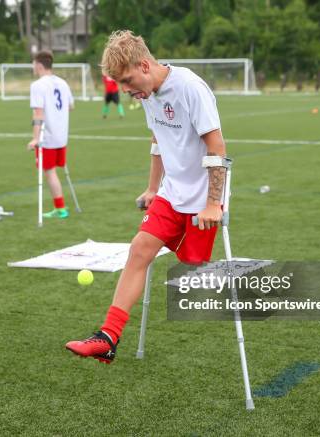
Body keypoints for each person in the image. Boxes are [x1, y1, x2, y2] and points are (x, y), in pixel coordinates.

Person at [65, 30, 226, 364]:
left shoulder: (190, 88)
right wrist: (153, 188)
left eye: (127, 81)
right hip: (171, 192)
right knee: (139, 250)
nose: (125, 90)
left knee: (193, 269)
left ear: (144, 65)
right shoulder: (147, 94)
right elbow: (158, 141)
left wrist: (213, 203)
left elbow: (216, 147)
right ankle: (107, 338)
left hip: (202, 196)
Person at [27, 50, 74, 219]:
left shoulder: (37, 85)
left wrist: (35, 138)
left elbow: (38, 114)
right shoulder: (62, 82)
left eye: (33, 64)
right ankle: (60, 207)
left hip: (48, 138)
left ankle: (60, 208)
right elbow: (70, 106)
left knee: (49, 171)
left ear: (39, 65)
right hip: (62, 136)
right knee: (55, 170)